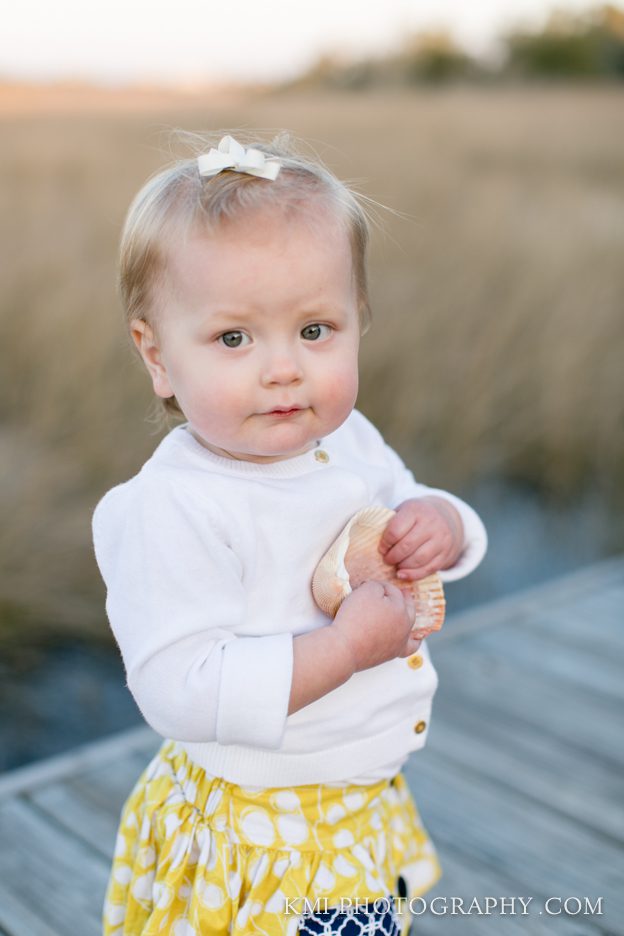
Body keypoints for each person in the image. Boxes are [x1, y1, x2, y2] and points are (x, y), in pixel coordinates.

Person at [93, 133, 487, 936]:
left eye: (316, 330)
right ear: (158, 356)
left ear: (357, 323)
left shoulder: (347, 438)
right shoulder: (174, 507)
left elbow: (407, 498)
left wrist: (443, 524)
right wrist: (342, 650)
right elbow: (179, 683)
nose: (285, 369)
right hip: (265, 829)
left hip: (354, 797)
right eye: (234, 338)